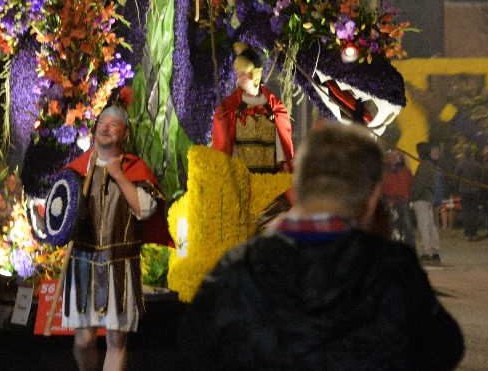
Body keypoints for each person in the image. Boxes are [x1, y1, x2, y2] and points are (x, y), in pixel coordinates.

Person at [178, 121, 464, 371]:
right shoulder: (393, 271)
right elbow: (445, 349)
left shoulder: (237, 270)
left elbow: (194, 349)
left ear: (297, 186)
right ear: (373, 196)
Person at [60, 105, 172, 371]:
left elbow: (144, 210)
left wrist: (119, 175)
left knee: (115, 339)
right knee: (84, 341)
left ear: (125, 133)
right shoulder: (79, 169)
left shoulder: (134, 168)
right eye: (102, 123)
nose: (105, 128)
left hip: (119, 266)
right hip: (83, 262)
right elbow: (61, 212)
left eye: (113, 125)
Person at [211, 44, 293, 174]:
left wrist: (285, 166)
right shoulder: (229, 107)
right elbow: (224, 146)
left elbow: (283, 145)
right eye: (238, 73)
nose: (239, 77)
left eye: (243, 73)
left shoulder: (275, 107)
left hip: (269, 180)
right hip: (241, 178)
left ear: (255, 74)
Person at [410, 141, 443, 264]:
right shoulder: (431, 165)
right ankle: (435, 251)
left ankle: (426, 252)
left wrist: (412, 196)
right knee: (430, 226)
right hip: (429, 198)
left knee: (423, 226)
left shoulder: (424, 166)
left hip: (422, 199)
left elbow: (420, 185)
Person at [382, 148, 415, 249]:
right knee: (391, 225)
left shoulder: (404, 170)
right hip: (390, 201)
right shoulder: (385, 172)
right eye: (392, 157)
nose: (394, 159)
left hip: (403, 200)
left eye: (395, 156)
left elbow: (409, 183)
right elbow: (382, 186)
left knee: (407, 224)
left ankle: (410, 247)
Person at [455, 147, 484, 241]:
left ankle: (467, 233)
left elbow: (456, 176)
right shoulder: (477, 165)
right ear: (472, 154)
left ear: (464, 154)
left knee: (466, 212)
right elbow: (480, 177)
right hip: (475, 191)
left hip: (464, 191)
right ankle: (474, 233)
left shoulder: (460, 164)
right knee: (474, 212)